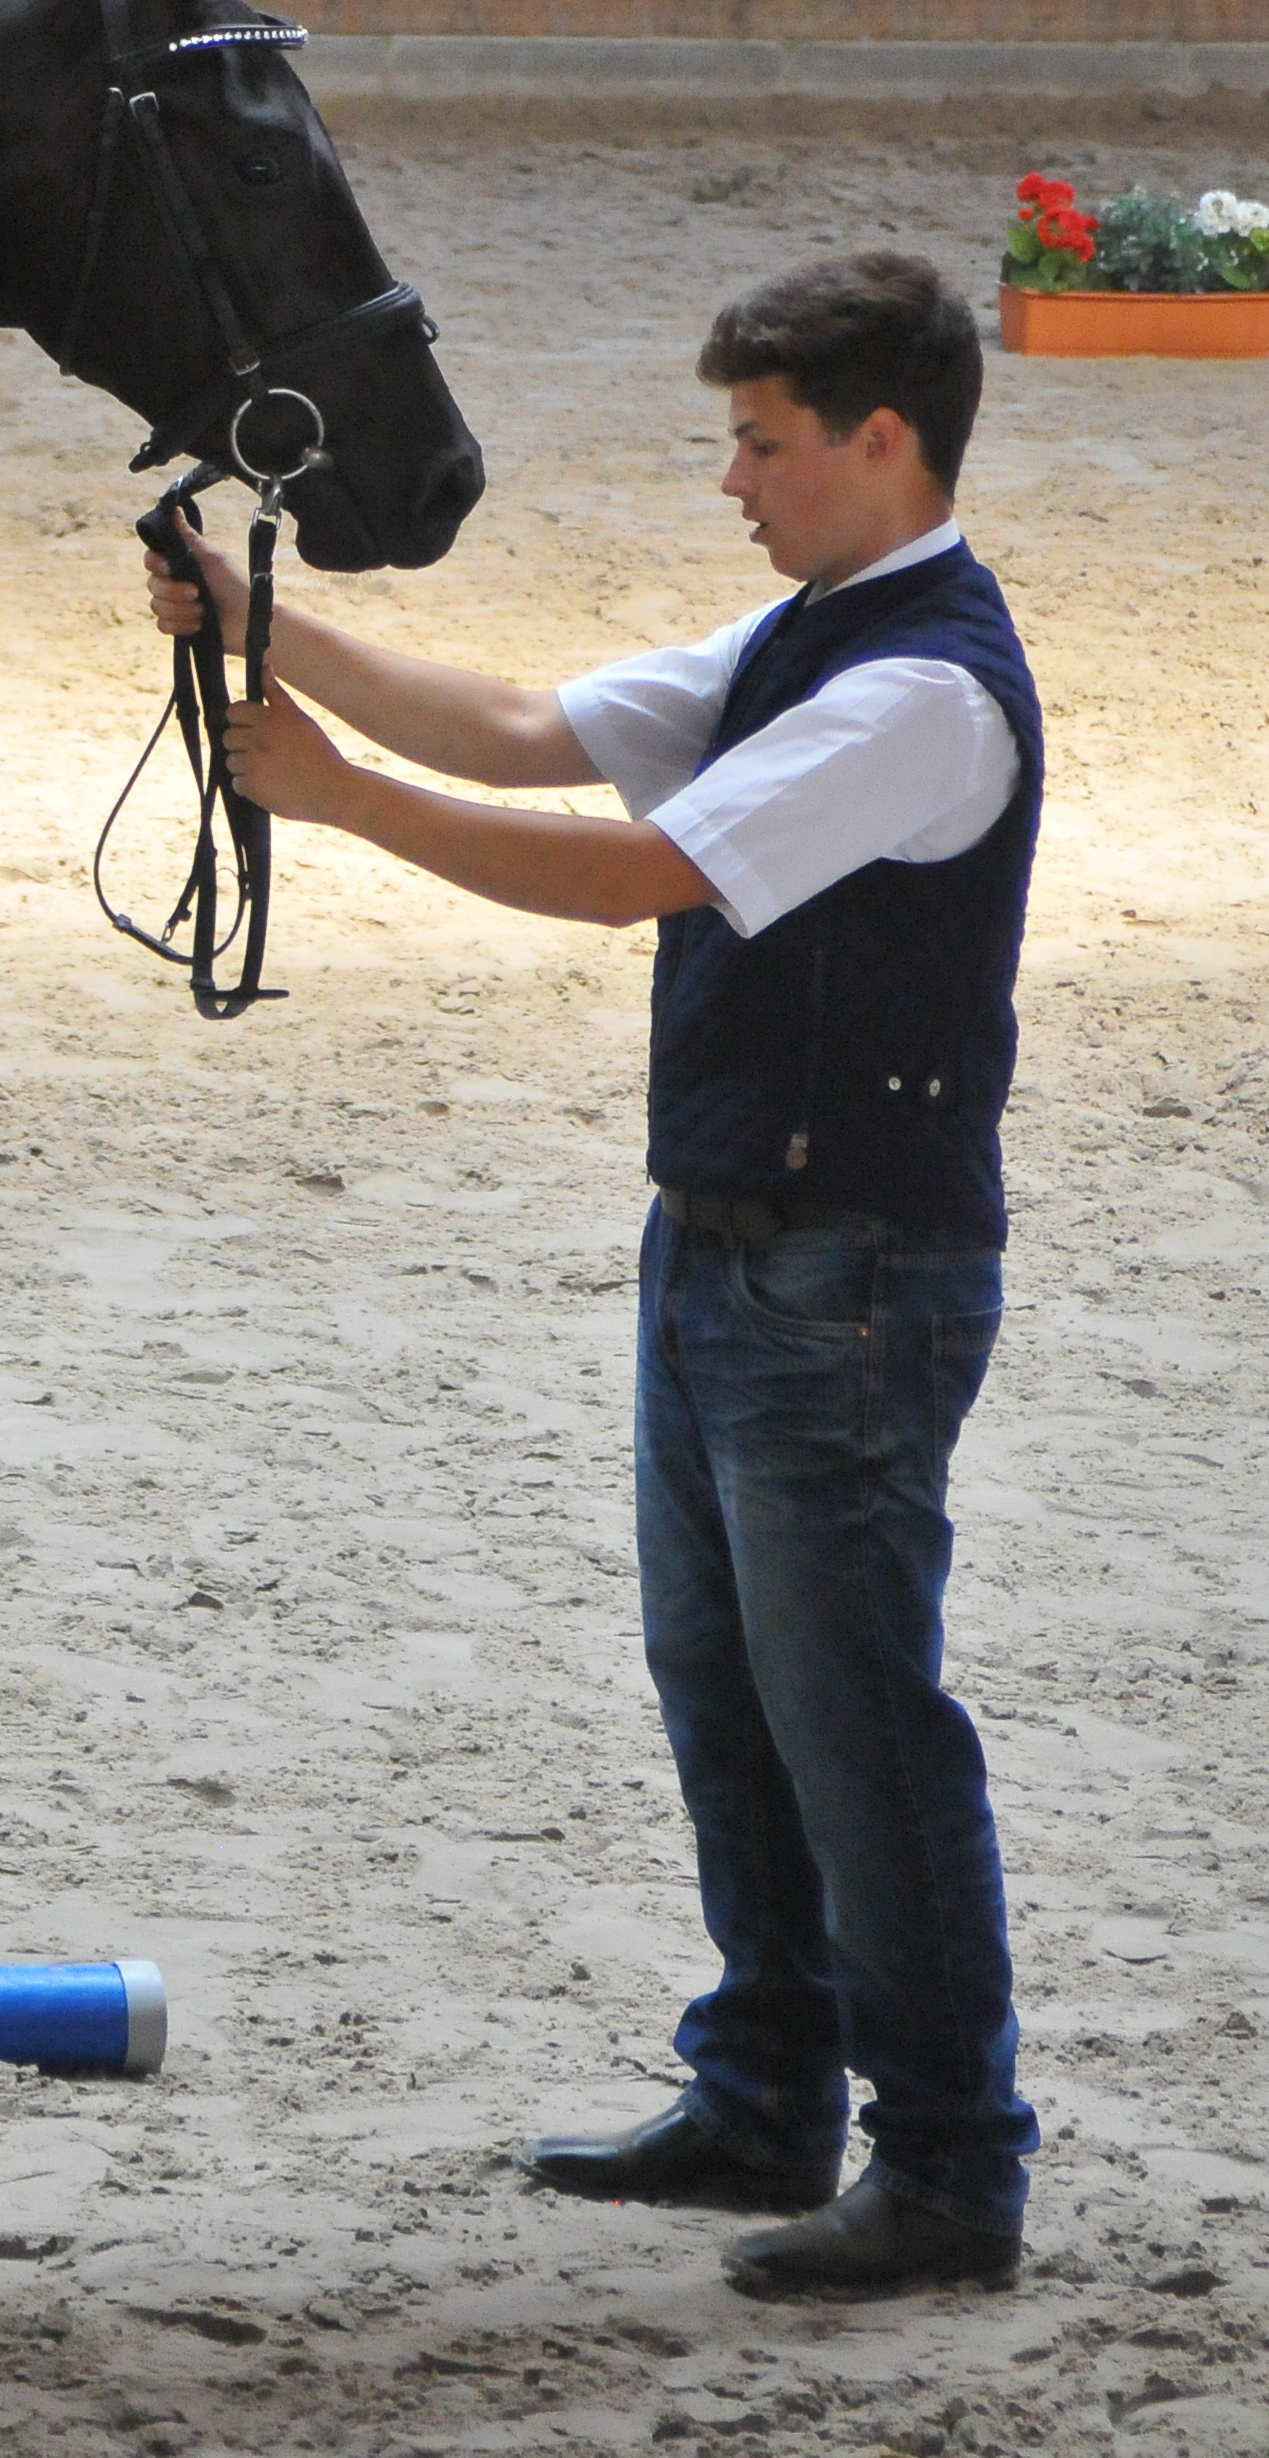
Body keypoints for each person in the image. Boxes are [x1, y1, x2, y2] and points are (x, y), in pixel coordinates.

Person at [153, 251, 1040, 2299]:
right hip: (736, 1243)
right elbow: (534, 721)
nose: (732, 478)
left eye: (760, 442)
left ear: (877, 439)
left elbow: (637, 866)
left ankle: (947, 2165)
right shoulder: (807, 636)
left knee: (855, 1725)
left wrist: (344, 800)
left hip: (841, 1266)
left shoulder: (914, 691)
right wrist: (258, 616)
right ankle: (762, 2089)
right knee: (730, 1694)